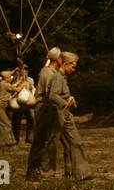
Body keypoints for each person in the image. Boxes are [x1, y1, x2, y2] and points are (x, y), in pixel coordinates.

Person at [55, 52, 92, 180]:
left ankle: (70, 173)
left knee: (68, 144)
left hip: (63, 113)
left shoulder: (62, 77)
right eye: (73, 67)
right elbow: (52, 95)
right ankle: (82, 173)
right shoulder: (57, 78)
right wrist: (65, 102)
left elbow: (59, 94)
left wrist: (69, 99)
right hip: (61, 114)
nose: (74, 69)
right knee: (76, 142)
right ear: (65, 64)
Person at [25, 52, 62, 180]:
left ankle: (35, 173)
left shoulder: (50, 71)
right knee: (42, 141)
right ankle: (37, 173)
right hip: (44, 108)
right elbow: (50, 93)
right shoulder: (47, 72)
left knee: (42, 141)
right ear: (57, 59)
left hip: (46, 107)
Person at [0, 70, 19, 147]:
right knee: (6, 123)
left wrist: (19, 81)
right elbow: (17, 89)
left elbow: (13, 86)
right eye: (10, 77)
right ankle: (10, 142)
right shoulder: (5, 84)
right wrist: (23, 84)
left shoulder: (2, 83)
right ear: (6, 78)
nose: (11, 79)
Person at [10, 65, 35, 144]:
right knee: (16, 121)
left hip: (28, 102)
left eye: (26, 70)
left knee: (31, 120)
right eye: (23, 70)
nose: (25, 72)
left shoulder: (30, 80)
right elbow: (9, 83)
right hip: (18, 102)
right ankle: (15, 138)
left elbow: (32, 89)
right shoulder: (14, 79)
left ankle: (29, 138)